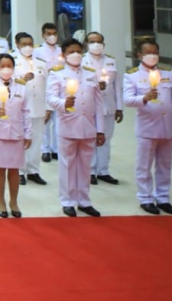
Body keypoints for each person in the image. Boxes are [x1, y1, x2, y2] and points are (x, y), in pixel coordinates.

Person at [123, 39, 172, 215]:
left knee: (165, 164)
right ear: (139, 55)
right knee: (144, 165)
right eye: (148, 53)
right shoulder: (132, 75)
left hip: (166, 127)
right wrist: (144, 98)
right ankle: (145, 197)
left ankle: (163, 197)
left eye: (155, 52)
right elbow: (128, 100)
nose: (152, 56)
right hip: (147, 127)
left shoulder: (167, 74)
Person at [46, 39, 105, 217]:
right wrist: (64, 103)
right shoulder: (57, 74)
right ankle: (68, 200)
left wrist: (100, 129)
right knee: (67, 165)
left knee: (85, 165)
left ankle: (84, 200)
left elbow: (98, 103)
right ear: (63, 55)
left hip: (87, 126)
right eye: (71, 51)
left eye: (79, 51)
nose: (76, 54)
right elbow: (50, 98)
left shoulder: (90, 73)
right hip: (68, 125)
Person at [0, 54, 31, 217]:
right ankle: (1, 200)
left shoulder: (21, 85)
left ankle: (14, 201)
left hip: (16, 132)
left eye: (9, 65)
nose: (6, 69)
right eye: (2, 66)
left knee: (14, 169)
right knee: (0, 167)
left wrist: (28, 133)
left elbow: (25, 111)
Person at [84, 32, 123, 184]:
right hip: (90, 107)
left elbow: (117, 86)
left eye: (99, 41)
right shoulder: (82, 61)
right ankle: (91, 171)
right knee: (91, 139)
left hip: (108, 107)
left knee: (106, 139)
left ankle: (103, 170)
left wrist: (119, 107)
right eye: (92, 41)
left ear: (104, 44)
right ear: (87, 44)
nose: (96, 44)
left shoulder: (111, 61)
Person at [13, 31, 50, 186]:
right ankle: (20, 171)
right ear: (17, 45)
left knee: (37, 139)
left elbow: (48, 86)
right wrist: (21, 79)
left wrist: (48, 108)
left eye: (30, 44)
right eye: (24, 44)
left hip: (39, 106)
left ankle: (34, 170)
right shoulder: (13, 62)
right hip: (21, 107)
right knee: (22, 140)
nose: (28, 47)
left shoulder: (41, 62)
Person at [34, 23, 62, 163]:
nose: (52, 36)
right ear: (43, 35)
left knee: (59, 120)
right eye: (48, 34)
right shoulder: (37, 51)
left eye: (54, 33)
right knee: (45, 119)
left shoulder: (61, 50)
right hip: (43, 87)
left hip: (60, 88)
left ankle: (56, 148)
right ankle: (45, 149)